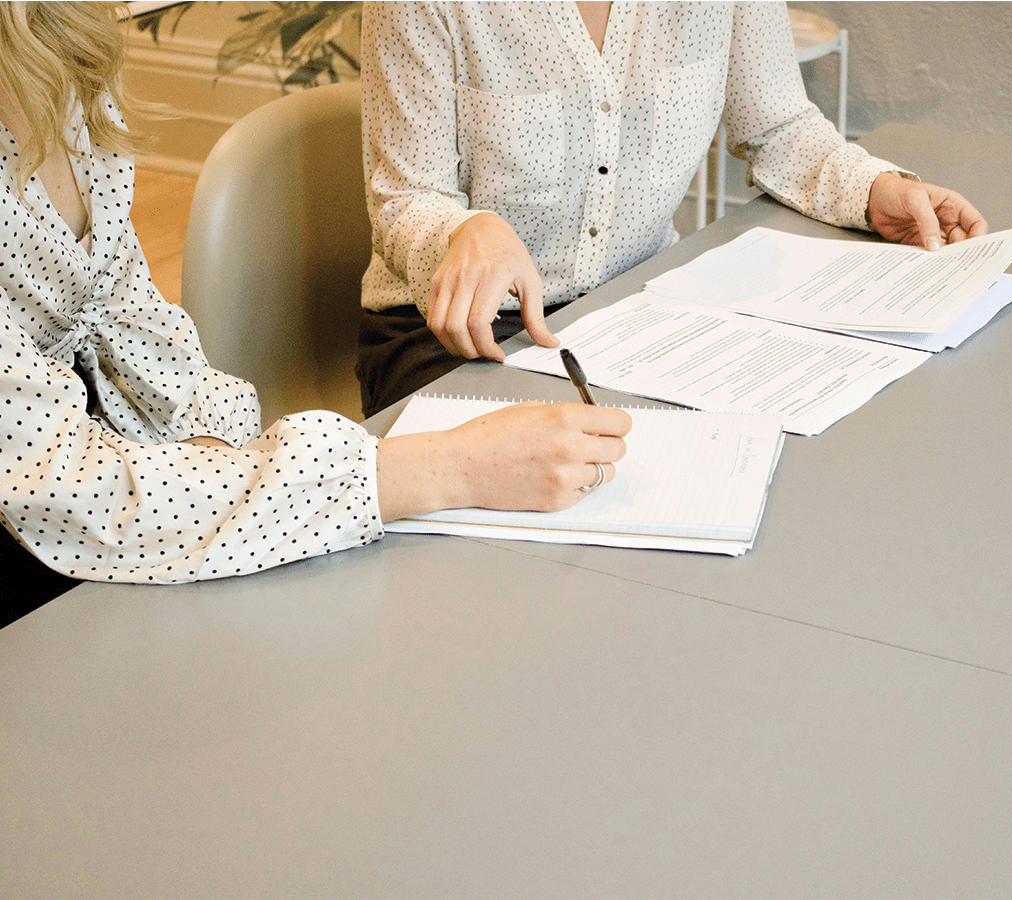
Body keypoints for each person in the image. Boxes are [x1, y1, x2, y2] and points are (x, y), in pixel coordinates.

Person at [0, 2, 631, 624]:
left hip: (118, 490)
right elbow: (67, 489)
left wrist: (218, 464)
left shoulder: (60, 61)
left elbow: (136, 327)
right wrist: (448, 469)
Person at [357, 1, 989, 417]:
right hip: (454, 334)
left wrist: (876, 190)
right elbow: (404, 198)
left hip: (635, 313)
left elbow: (778, 127)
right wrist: (466, 230)